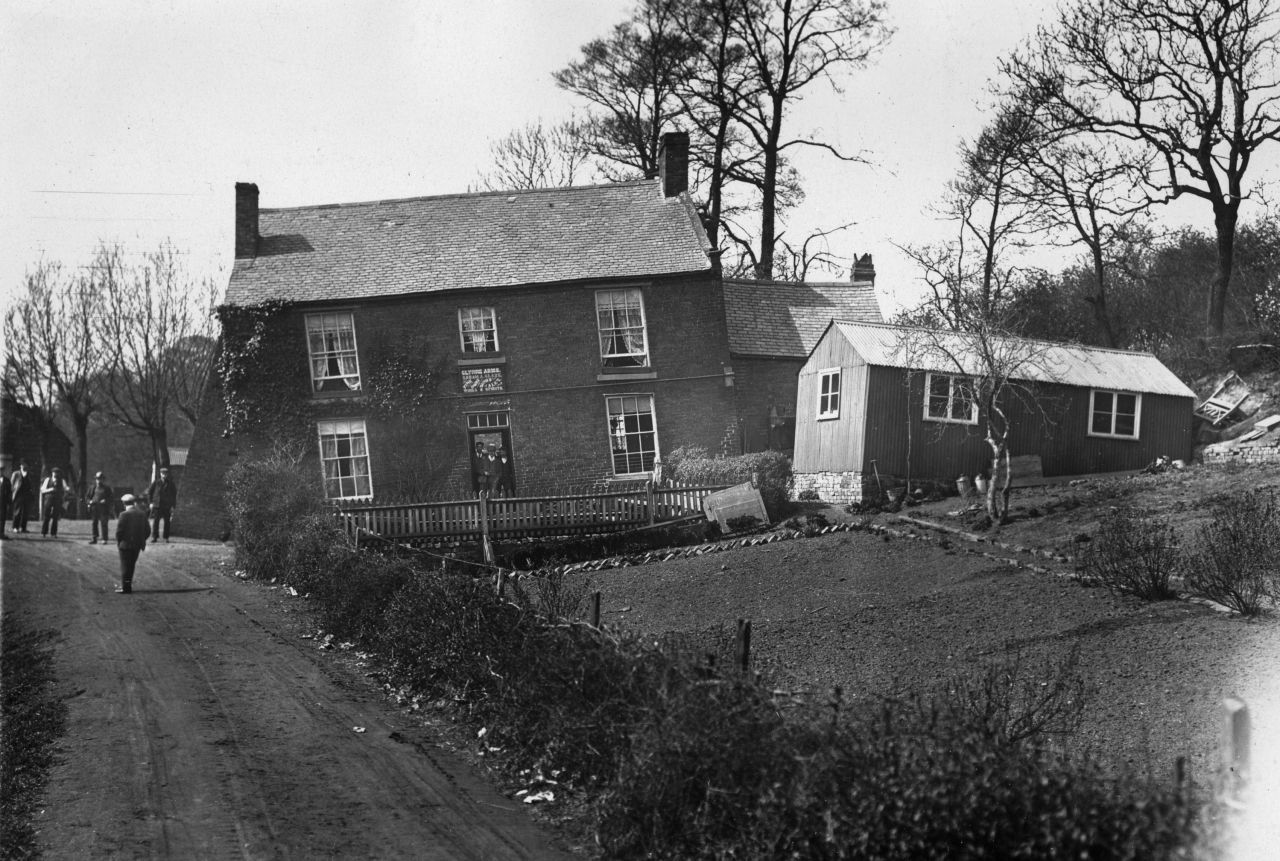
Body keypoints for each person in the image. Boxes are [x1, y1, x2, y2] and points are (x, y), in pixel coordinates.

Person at [115, 494, 150, 594]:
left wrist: (119, 542)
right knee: (131, 566)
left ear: (124, 503)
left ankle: (126, 587)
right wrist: (140, 540)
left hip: (125, 545)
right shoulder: (142, 514)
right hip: (137, 545)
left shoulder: (123, 514)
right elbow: (147, 530)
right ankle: (127, 585)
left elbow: (119, 532)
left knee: (125, 566)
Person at [146, 466, 178, 543]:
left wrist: (173, 506)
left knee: (167, 522)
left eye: (165, 473)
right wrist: (150, 503)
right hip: (157, 505)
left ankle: (166, 537)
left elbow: (174, 495)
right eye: (163, 473)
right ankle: (154, 537)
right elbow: (149, 493)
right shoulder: (156, 483)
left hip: (167, 506)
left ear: (167, 474)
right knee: (156, 522)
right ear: (160, 474)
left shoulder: (171, 484)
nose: (164, 475)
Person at [39, 467, 71, 538]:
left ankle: (53, 533)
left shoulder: (62, 480)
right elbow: (43, 490)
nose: (55, 474)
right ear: (52, 473)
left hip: (57, 499)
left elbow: (66, 488)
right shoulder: (47, 480)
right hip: (49, 499)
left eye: (57, 473)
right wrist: (50, 489)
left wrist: (67, 489)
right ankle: (44, 532)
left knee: (55, 517)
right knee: (46, 516)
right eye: (54, 472)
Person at [85, 471, 115, 544]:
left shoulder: (107, 488)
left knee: (104, 523)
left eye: (100, 479)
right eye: (97, 479)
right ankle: (94, 538)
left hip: (103, 508)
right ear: (96, 479)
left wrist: (106, 500)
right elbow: (87, 497)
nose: (98, 480)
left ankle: (104, 539)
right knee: (94, 523)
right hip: (94, 507)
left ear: (103, 480)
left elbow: (111, 498)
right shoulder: (92, 487)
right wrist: (90, 501)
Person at [11, 461, 33, 533]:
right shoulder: (16, 474)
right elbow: (12, 484)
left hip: (27, 495)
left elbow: (31, 484)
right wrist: (13, 493)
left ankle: (23, 528)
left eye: (25, 465)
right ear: (20, 466)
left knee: (25, 512)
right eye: (22, 465)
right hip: (18, 495)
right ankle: (15, 527)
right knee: (17, 511)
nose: (24, 466)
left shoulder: (29, 474)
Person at [0, 461, 10, 540]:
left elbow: (9, 493)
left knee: (2, 518)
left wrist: (8, 503)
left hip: (3, 503)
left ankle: (1, 533)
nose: (0, 471)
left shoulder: (7, 481)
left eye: (2, 470)